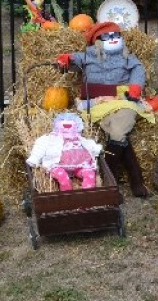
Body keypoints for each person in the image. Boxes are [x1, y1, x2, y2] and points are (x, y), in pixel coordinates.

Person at [55, 21, 151, 197]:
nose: (113, 39)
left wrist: (136, 87)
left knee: (120, 127)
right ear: (97, 41)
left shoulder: (127, 57)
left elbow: (138, 69)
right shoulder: (89, 56)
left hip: (122, 98)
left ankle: (109, 184)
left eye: (116, 36)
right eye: (108, 36)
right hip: (98, 101)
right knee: (119, 134)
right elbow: (73, 60)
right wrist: (65, 59)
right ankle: (135, 182)